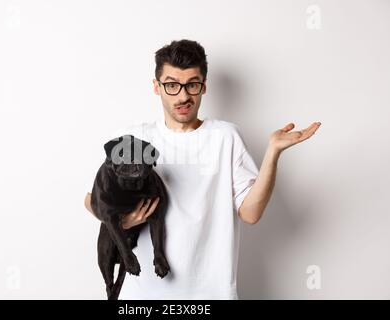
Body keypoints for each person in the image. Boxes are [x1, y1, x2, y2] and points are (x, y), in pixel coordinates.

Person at [84, 39, 321, 299]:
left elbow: (251, 213)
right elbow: (91, 200)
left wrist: (273, 153)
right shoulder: (130, 137)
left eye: (192, 85)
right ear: (157, 87)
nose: (183, 95)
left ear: (203, 87)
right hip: (142, 296)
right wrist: (125, 221)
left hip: (210, 294)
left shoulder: (225, 136)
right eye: (172, 85)